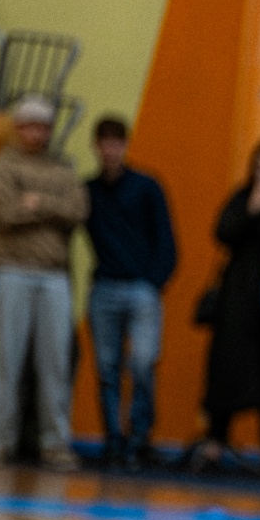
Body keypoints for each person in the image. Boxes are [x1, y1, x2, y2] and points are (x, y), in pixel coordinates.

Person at [0, 95, 87, 470]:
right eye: (31, 125)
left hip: (54, 274)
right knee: (5, 362)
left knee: (55, 365)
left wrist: (36, 202)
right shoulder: (1, 165)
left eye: (44, 126)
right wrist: (53, 207)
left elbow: (78, 210)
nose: (38, 132)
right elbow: (6, 213)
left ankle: (55, 444)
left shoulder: (63, 168)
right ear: (18, 127)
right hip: (11, 270)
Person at [195, 140, 260, 471]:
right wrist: (252, 207)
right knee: (226, 370)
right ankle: (215, 442)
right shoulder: (242, 198)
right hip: (237, 301)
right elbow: (222, 233)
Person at [82, 115, 177, 471]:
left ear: (125, 145)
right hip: (105, 287)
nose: (110, 151)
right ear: (96, 147)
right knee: (107, 368)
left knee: (142, 362)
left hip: (141, 288)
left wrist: (153, 282)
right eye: (104, 143)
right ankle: (114, 441)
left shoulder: (147, 187)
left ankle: (139, 437)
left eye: (116, 143)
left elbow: (166, 240)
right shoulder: (88, 192)